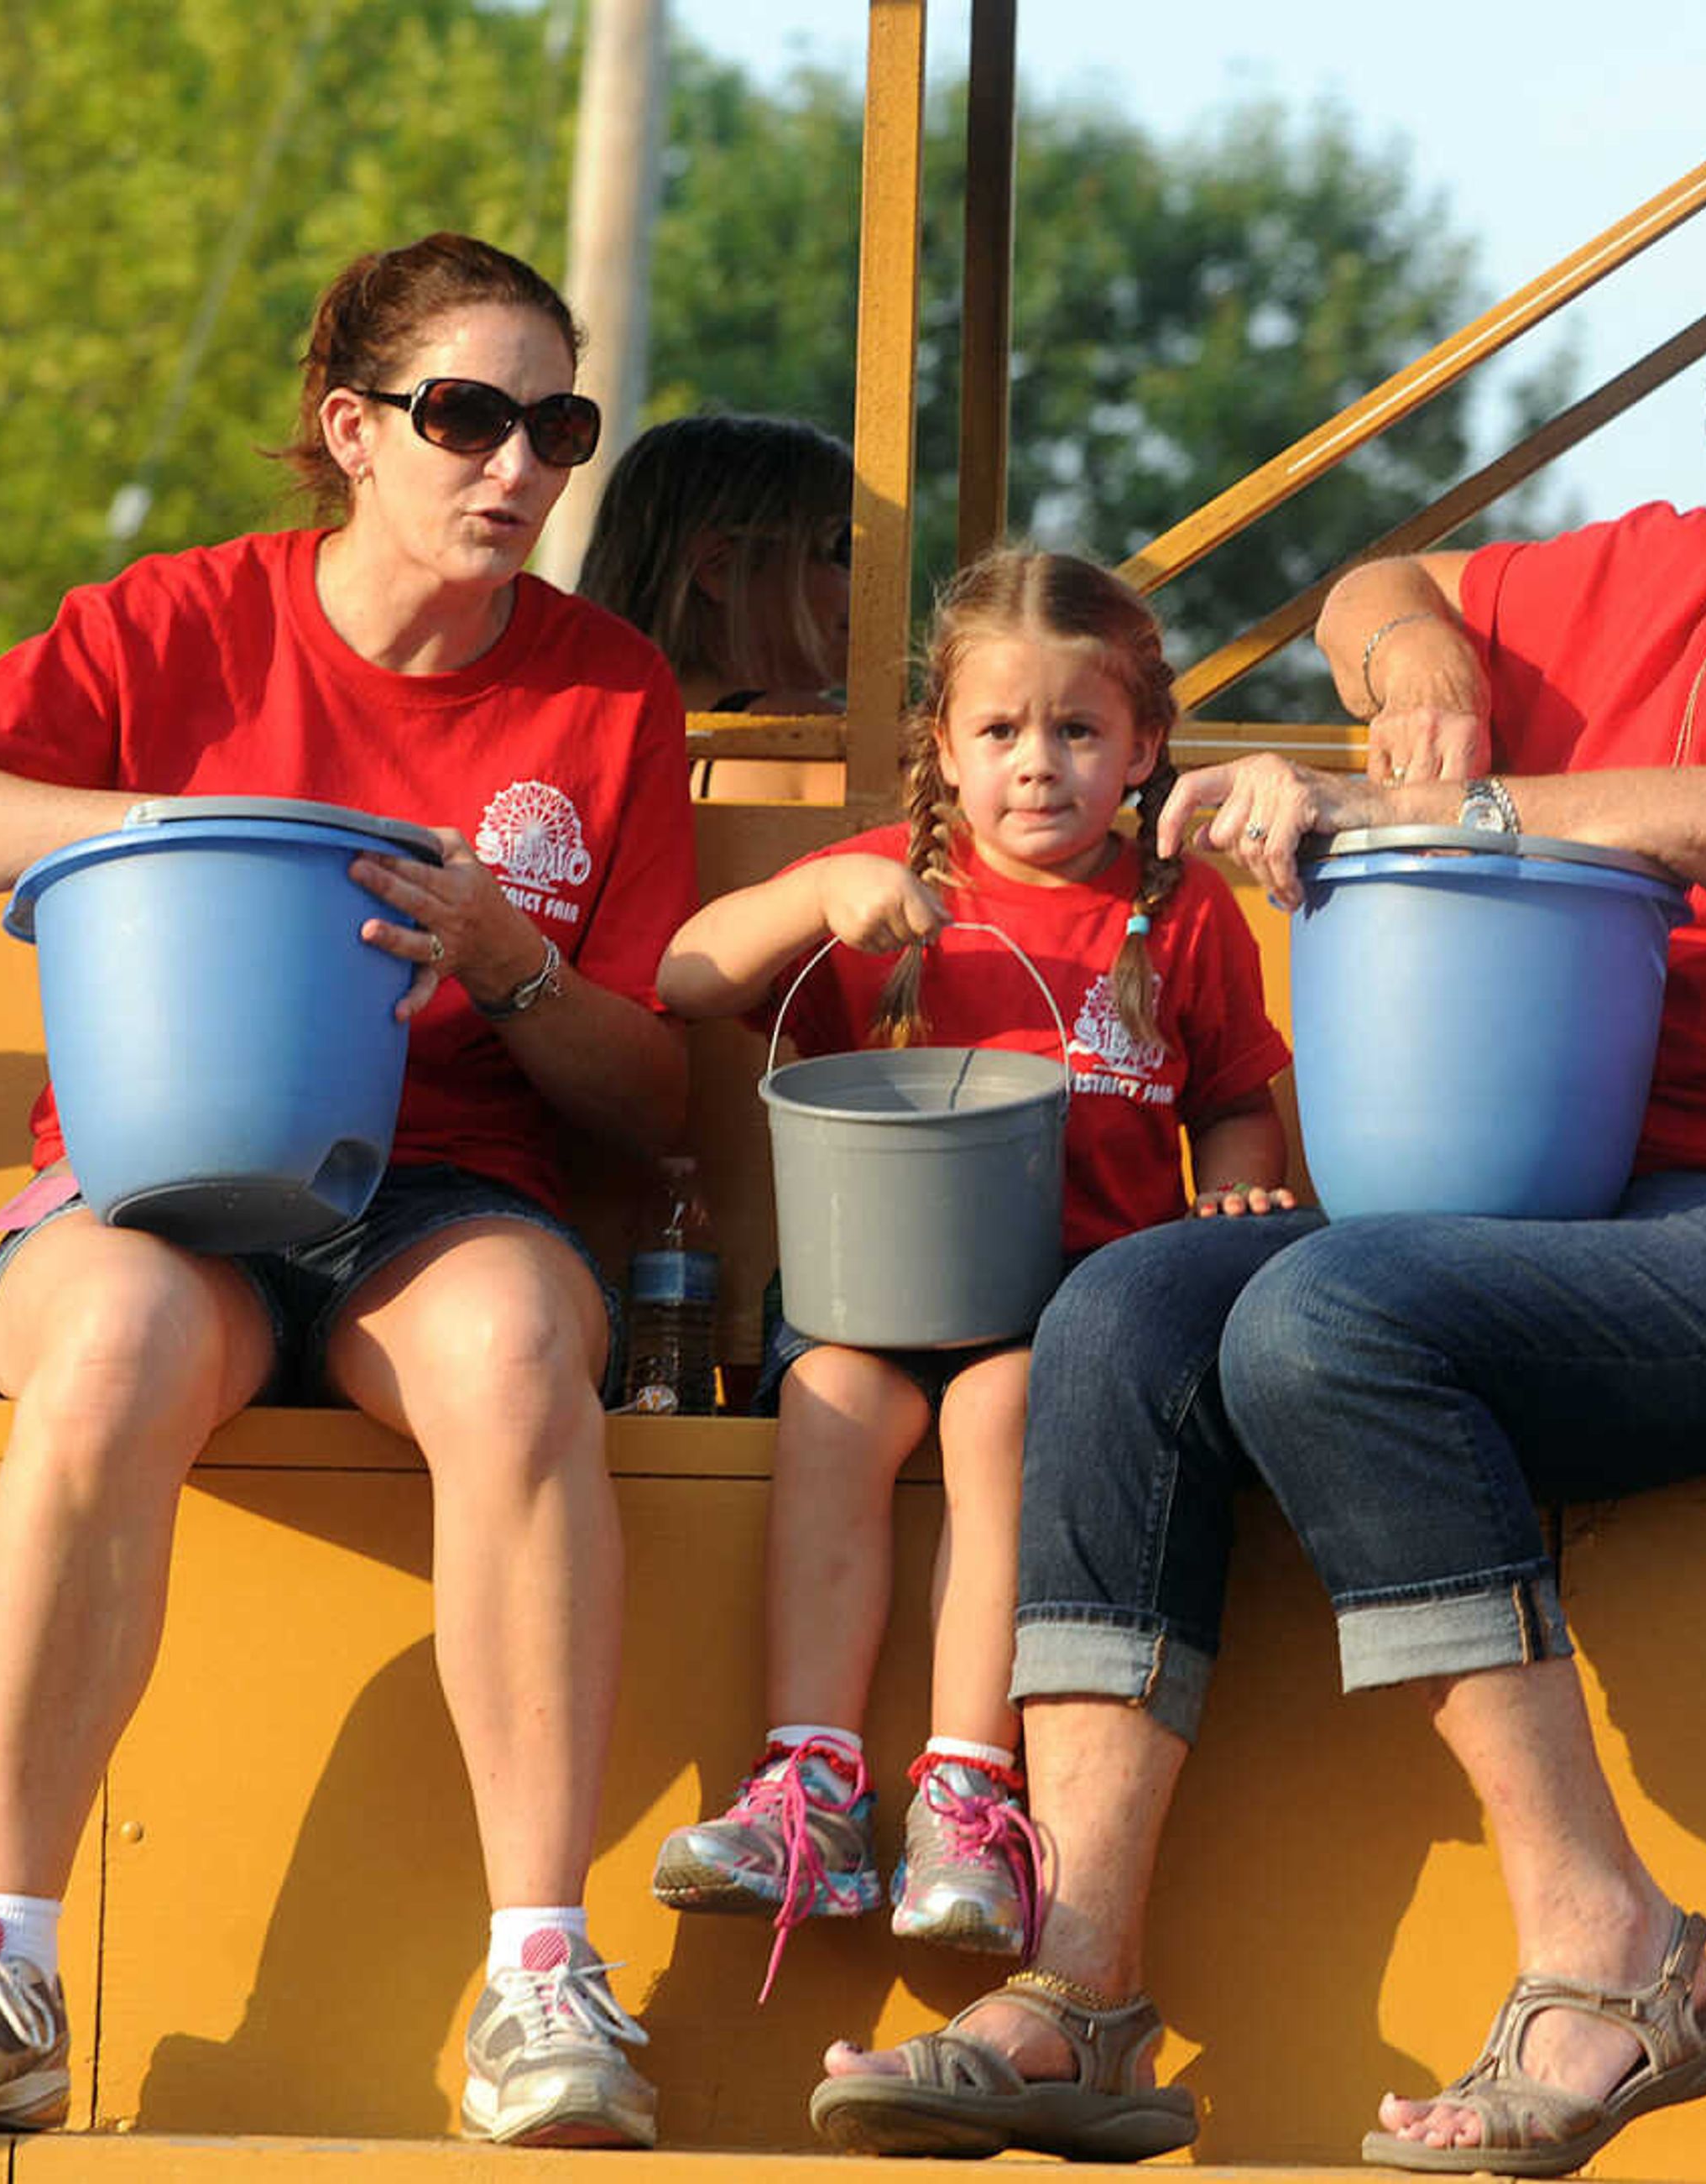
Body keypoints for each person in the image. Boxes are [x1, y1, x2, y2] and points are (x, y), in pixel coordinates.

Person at [809, 175, 1706, 2176]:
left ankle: (1606, 1942)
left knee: (1334, 1312)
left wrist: (1457, 795)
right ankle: (1076, 1983)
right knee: (1127, 1301)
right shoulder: (1653, 567)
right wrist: (1412, 672)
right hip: (1540, 1181)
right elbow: (1377, 582)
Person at [0, 232, 696, 2152]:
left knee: (526, 1334)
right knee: (109, 1331)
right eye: (468, 415)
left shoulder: (610, 693)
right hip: (147, 1175)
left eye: (557, 424)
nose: (516, 466)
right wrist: (143, 826)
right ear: (350, 428)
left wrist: (507, 958)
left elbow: (653, 1093)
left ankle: (541, 1973)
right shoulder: (167, 623)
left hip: (436, 1195)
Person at [650, 546, 1294, 1997]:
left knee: (1003, 1410)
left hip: (1071, 1302)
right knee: (831, 1403)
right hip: (875, 1290)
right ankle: (808, 1780)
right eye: (1000, 731)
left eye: (1079, 731)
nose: (1039, 765)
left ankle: (965, 1789)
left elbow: (1236, 1099)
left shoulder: (1175, 912)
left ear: (1141, 747)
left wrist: (1254, 1182)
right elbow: (689, 974)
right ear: (944, 745)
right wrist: (820, 909)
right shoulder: (889, 880)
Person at [575, 410, 855, 802]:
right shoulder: (806, 738)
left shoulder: (581, 735)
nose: (872, 578)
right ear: (720, 567)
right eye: (845, 547)